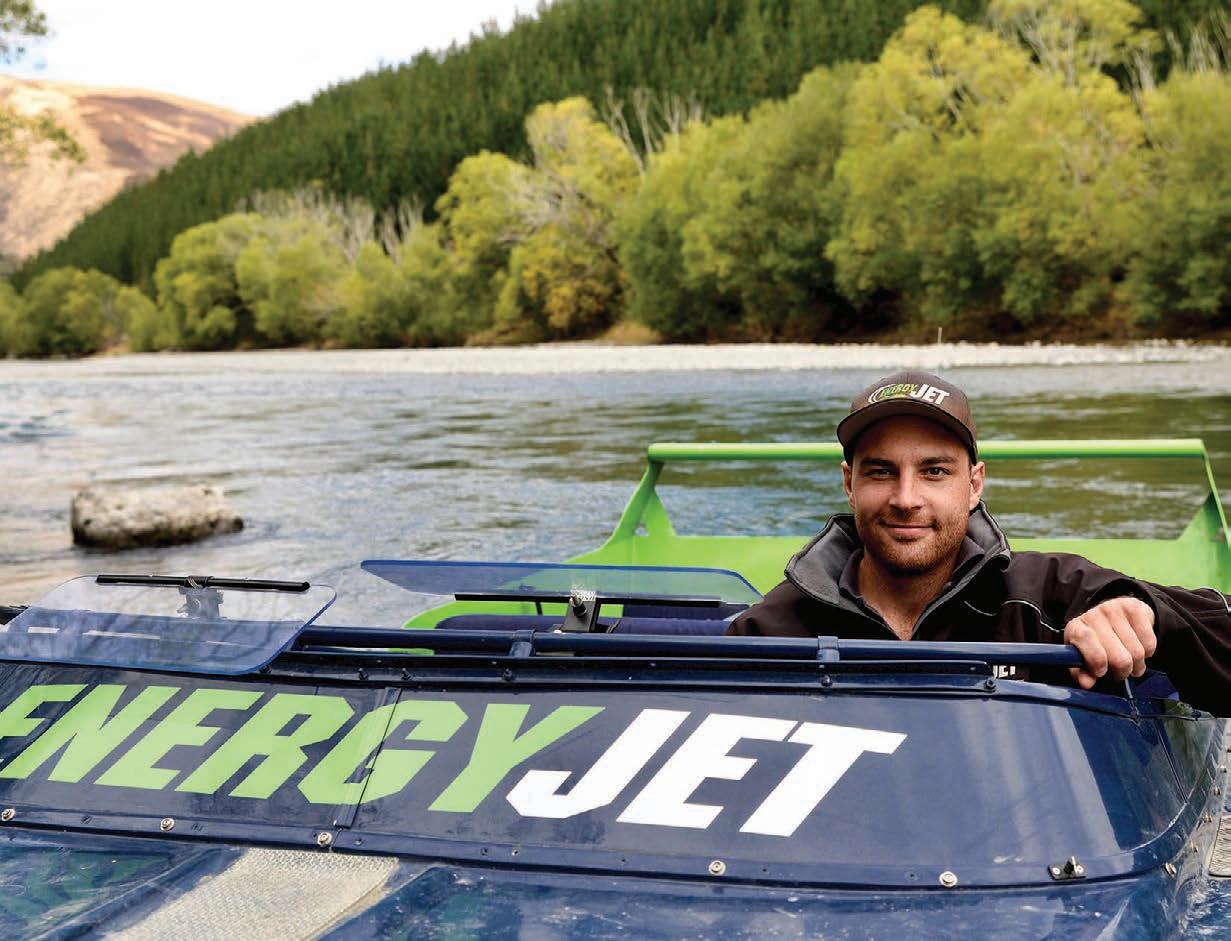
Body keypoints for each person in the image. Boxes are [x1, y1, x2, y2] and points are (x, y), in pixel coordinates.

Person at [727, 370, 1231, 714]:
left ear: (974, 485)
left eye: (935, 472)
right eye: (881, 472)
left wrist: (1147, 614)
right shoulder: (771, 630)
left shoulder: (1052, 594)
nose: (906, 499)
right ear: (848, 483)